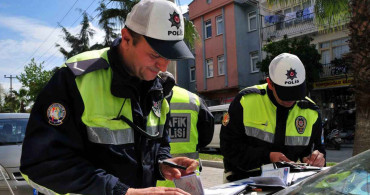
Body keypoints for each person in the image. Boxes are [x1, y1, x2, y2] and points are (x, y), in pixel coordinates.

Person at [20, 0, 199, 194]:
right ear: (126, 38)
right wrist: (122, 192)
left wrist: (162, 163)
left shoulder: (157, 87)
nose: (163, 66)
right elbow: (41, 165)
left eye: (169, 56)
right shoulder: (76, 78)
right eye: (155, 54)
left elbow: (156, 144)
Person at [220, 53, 326, 182]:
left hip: (289, 182)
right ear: (270, 83)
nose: (291, 99)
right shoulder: (245, 101)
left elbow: (317, 149)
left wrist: (315, 158)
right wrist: (267, 156)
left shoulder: (311, 111)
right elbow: (228, 147)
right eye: (285, 93)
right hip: (242, 180)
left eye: (296, 92)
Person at [156, 72, 215, 187]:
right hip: (187, 178)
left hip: (155, 181)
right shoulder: (193, 99)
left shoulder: (148, 96)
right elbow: (206, 137)